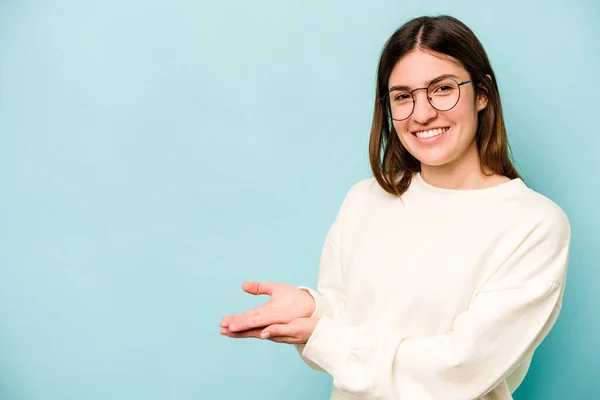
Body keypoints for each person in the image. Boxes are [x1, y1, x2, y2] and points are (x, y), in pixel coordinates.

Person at [219, 15, 571, 400]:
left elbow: (458, 369)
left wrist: (322, 334)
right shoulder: (363, 200)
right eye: (404, 96)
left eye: (442, 89)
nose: (422, 114)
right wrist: (311, 306)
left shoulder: (534, 224)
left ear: (482, 93)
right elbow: (345, 323)